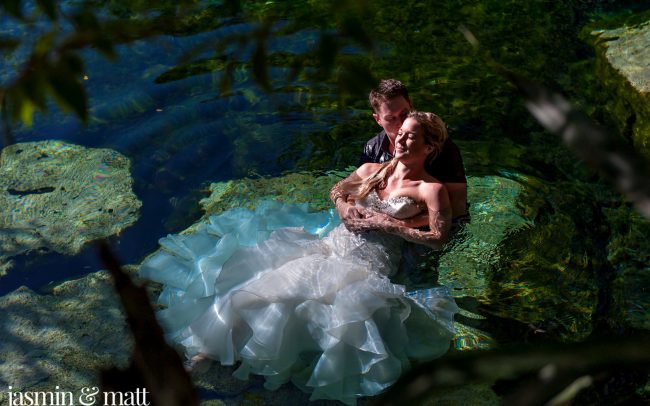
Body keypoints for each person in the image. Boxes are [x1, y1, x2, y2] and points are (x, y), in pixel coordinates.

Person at [139, 111, 458, 405]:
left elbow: (438, 240)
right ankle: (203, 357)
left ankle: (225, 358)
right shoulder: (371, 170)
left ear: (429, 147)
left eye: (411, 136)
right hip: (330, 248)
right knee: (259, 290)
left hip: (367, 265)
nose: (400, 140)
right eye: (400, 133)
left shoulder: (430, 190)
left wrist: (389, 224)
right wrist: (345, 209)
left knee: (323, 309)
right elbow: (338, 190)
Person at [360, 79, 468, 222]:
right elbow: (352, 193)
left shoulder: (440, 147)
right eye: (391, 118)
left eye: (404, 114)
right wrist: (345, 208)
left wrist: (395, 224)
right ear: (378, 119)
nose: (400, 123)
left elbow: (458, 207)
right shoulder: (372, 149)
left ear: (411, 105)